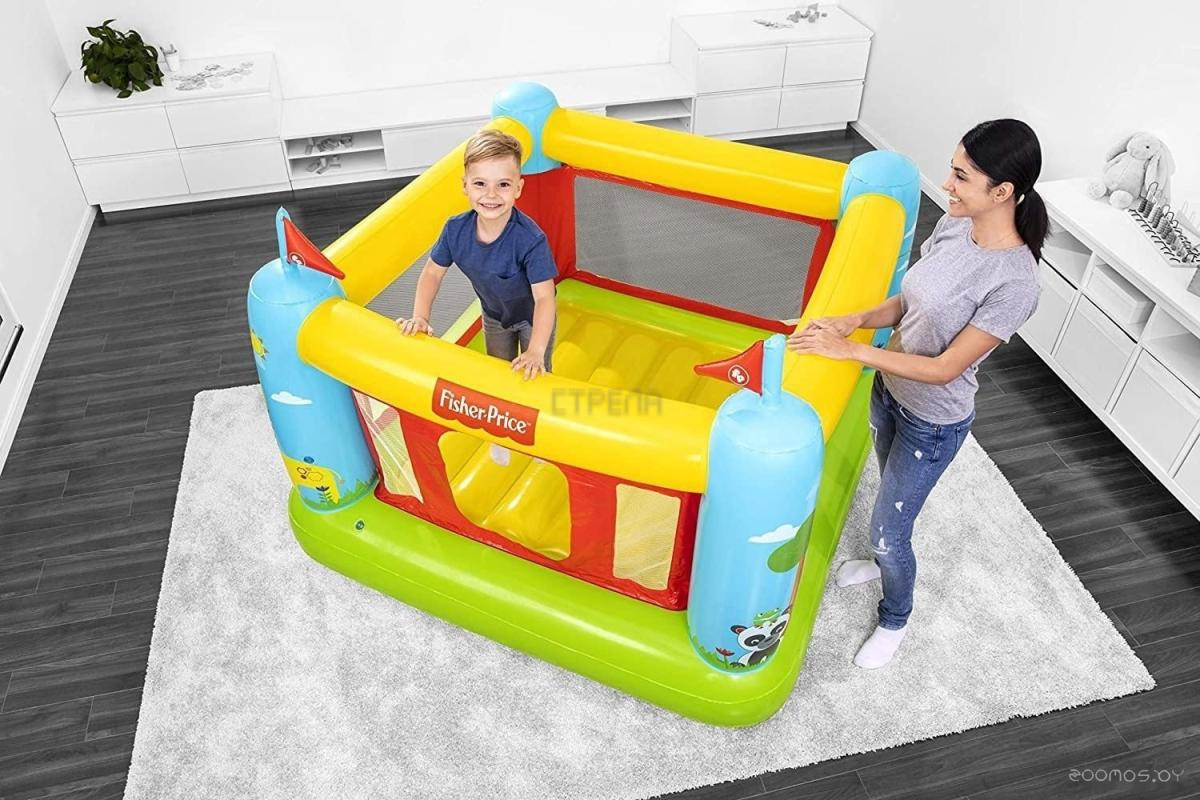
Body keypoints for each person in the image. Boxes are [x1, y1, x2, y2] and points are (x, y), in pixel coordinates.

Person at [789, 119, 1046, 669]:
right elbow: (909, 301)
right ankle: (880, 561)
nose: (947, 185)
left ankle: (895, 617)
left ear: (1002, 192)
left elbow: (946, 368)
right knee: (888, 495)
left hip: (933, 422)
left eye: (961, 177)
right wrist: (855, 320)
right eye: (952, 170)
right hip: (889, 394)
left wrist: (852, 352)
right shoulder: (955, 224)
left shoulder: (1015, 282)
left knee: (889, 531)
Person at [398, 129, 558, 382]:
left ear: (518, 188)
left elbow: (545, 297)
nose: (491, 195)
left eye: (503, 184)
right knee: (497, 370)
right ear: (465, 186)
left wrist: (536, 350)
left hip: (533, 318)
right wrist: (420, 317)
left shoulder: (531, 240)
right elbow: (432, 273)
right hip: (494, 314)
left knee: (534, 372)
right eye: (480, 184)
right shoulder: (455, 230)